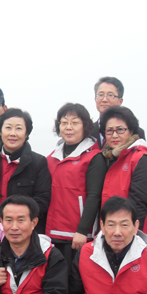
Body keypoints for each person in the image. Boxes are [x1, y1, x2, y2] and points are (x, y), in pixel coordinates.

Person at [46, 103, 106, 270]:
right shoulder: (52, 157)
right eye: (64, 122)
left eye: (75, 122)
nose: (68, 127)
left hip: (77, 235)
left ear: (85, 126)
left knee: (75, 280)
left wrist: (82, 230)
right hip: (52, 232)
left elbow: (94, 196)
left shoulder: (94, 157)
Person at [0, 108, 51, 234]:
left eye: (19, 128)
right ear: (0, 131)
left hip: (23, 230)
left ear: (26, 134)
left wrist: (15, 219)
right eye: (8, 127)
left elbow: (42, 200)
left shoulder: (38, 162)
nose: (13, 133)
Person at [100, 106, 147, 246]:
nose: (114, 135)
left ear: (131, 130)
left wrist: (131, 238)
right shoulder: (108, 157)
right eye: (109, 131)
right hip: (112, 235)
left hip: (133, 237)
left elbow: (139, 205)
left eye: (120, 130)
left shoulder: (141, 158)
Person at [91, 77, 145, 145]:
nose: (104, 99)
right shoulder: (86, 132)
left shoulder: (136, 132)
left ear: (120, 101)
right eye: (101, 95)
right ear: (95, 99)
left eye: (110, 95)